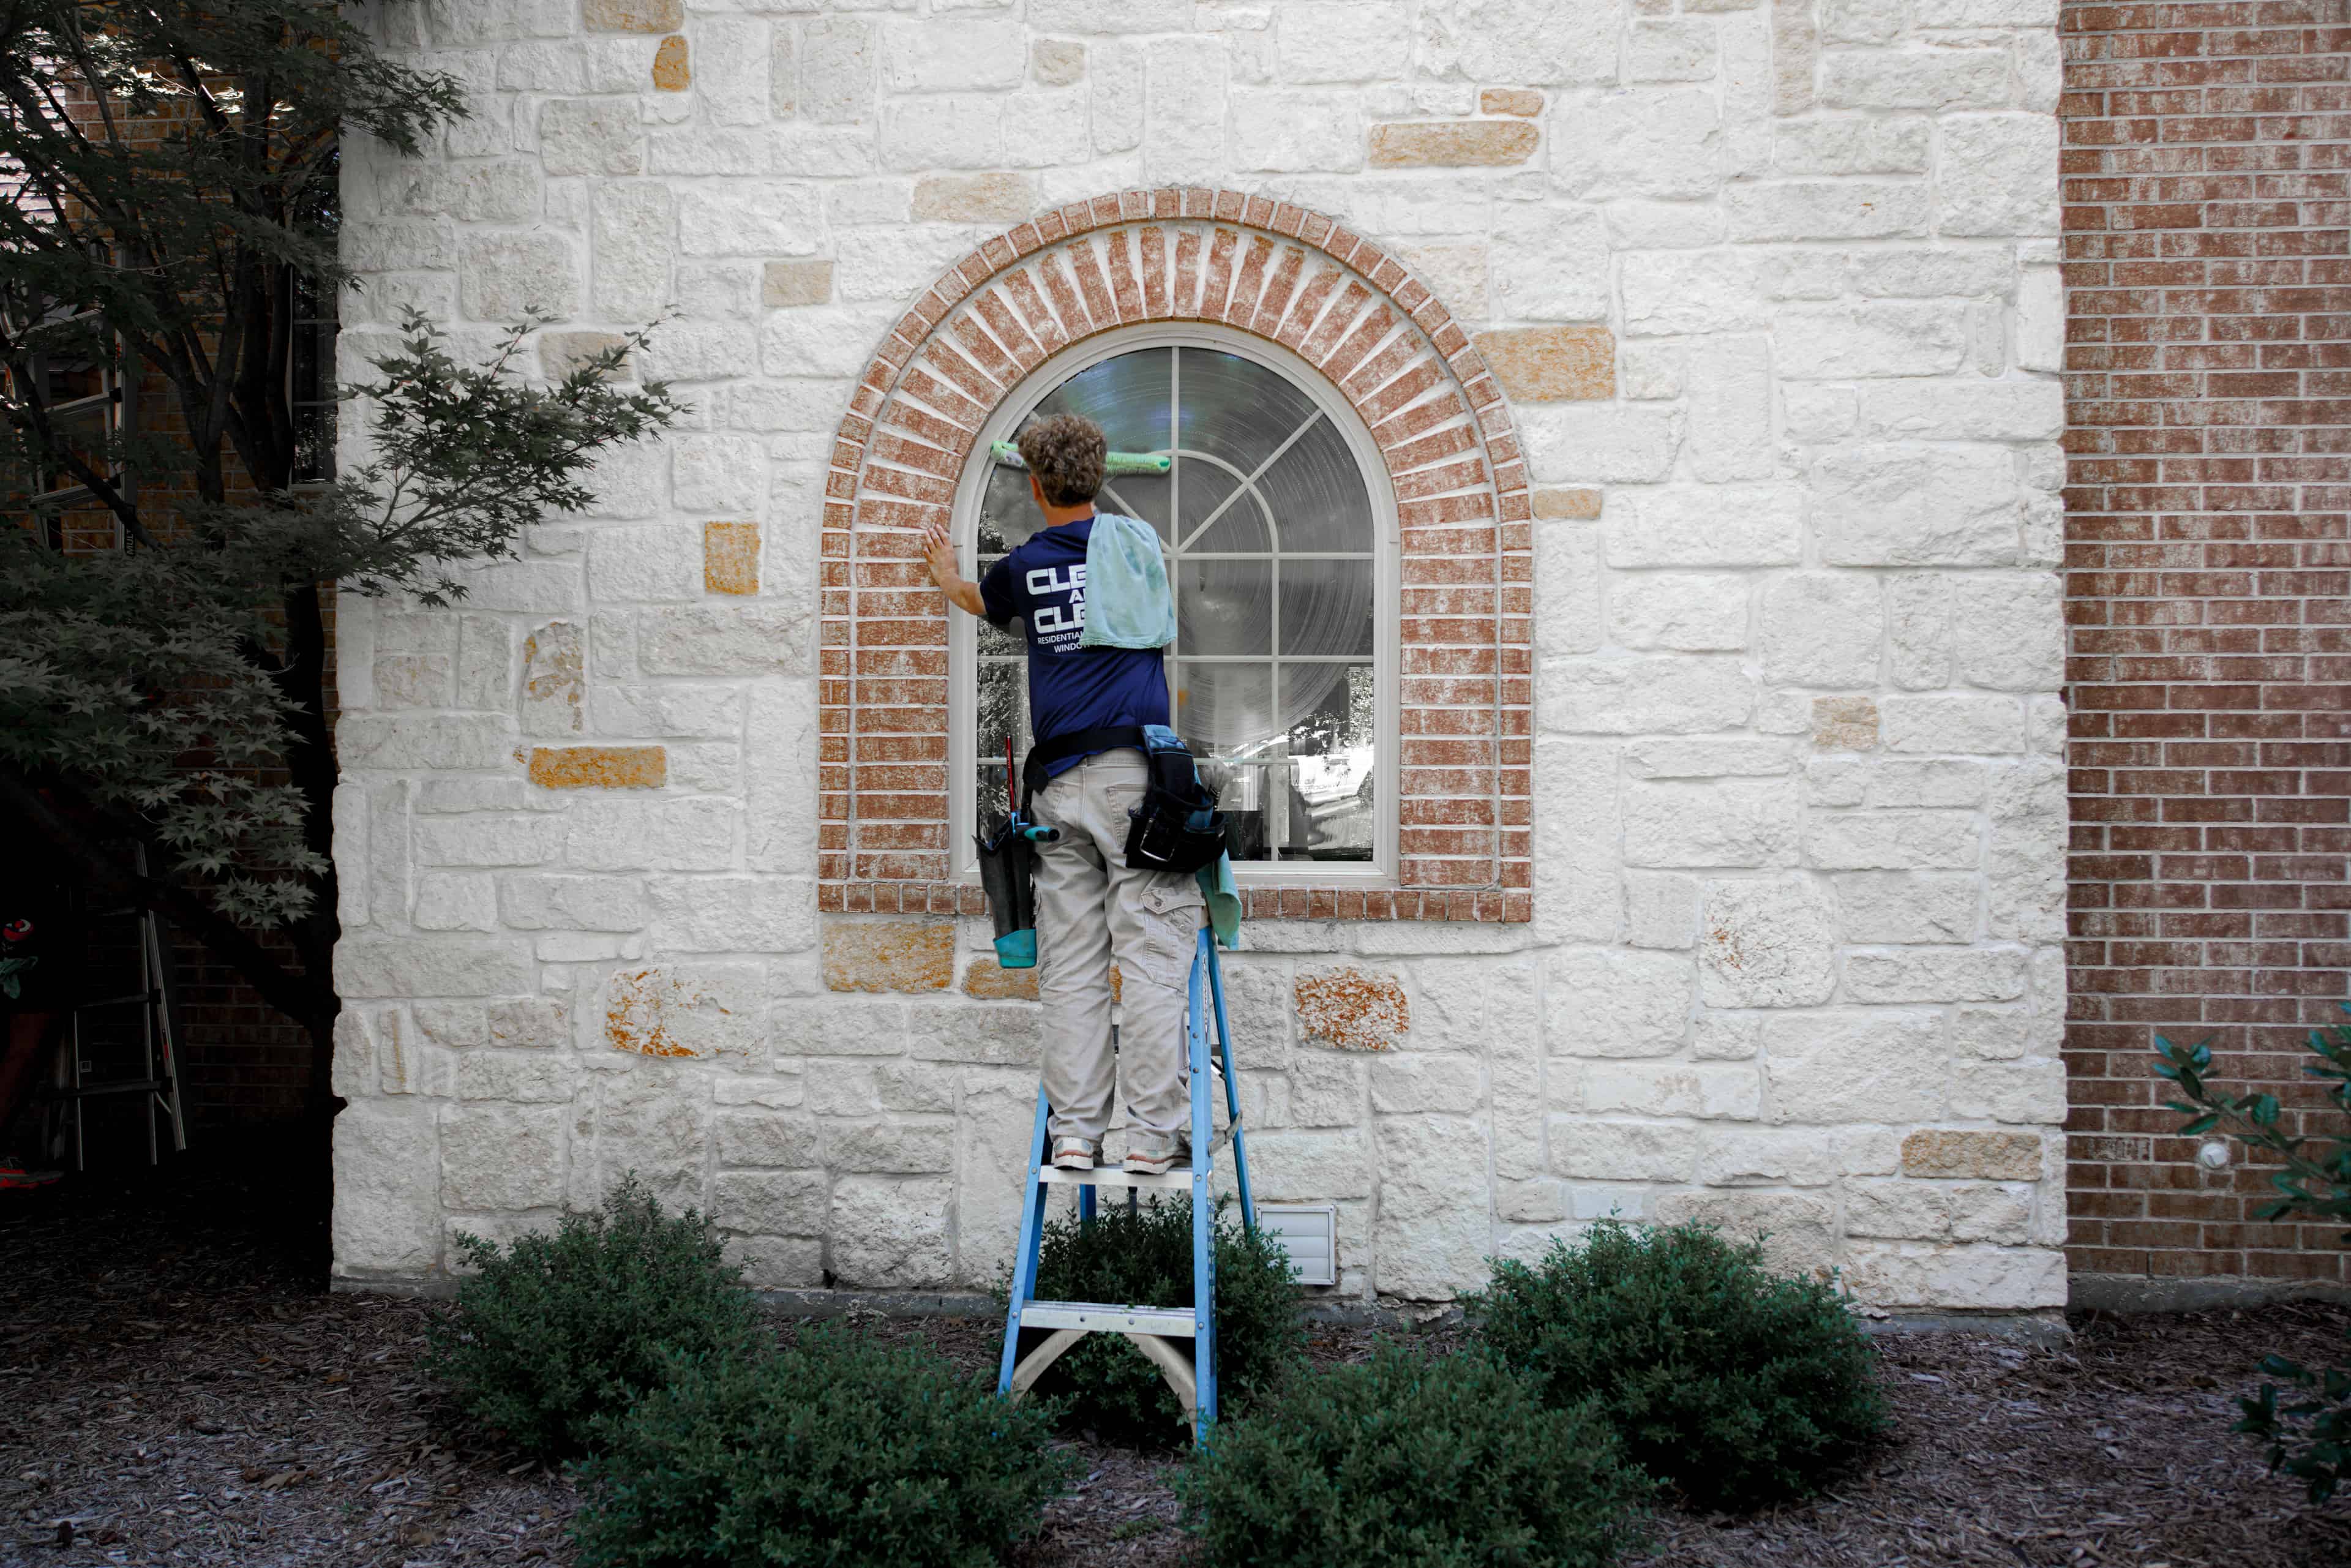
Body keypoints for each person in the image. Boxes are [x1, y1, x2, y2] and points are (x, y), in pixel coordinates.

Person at [921, 413, 1205, 1176]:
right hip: (1133, 785)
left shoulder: (1023, 565)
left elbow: (982, 602)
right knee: (1148, 957)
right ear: (1099, 478)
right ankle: (1150, 1135)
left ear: (1038, 487)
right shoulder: (1136, 551)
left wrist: (948, 577)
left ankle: (1076, 1132)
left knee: (1073, 964)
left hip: (1056, 789)